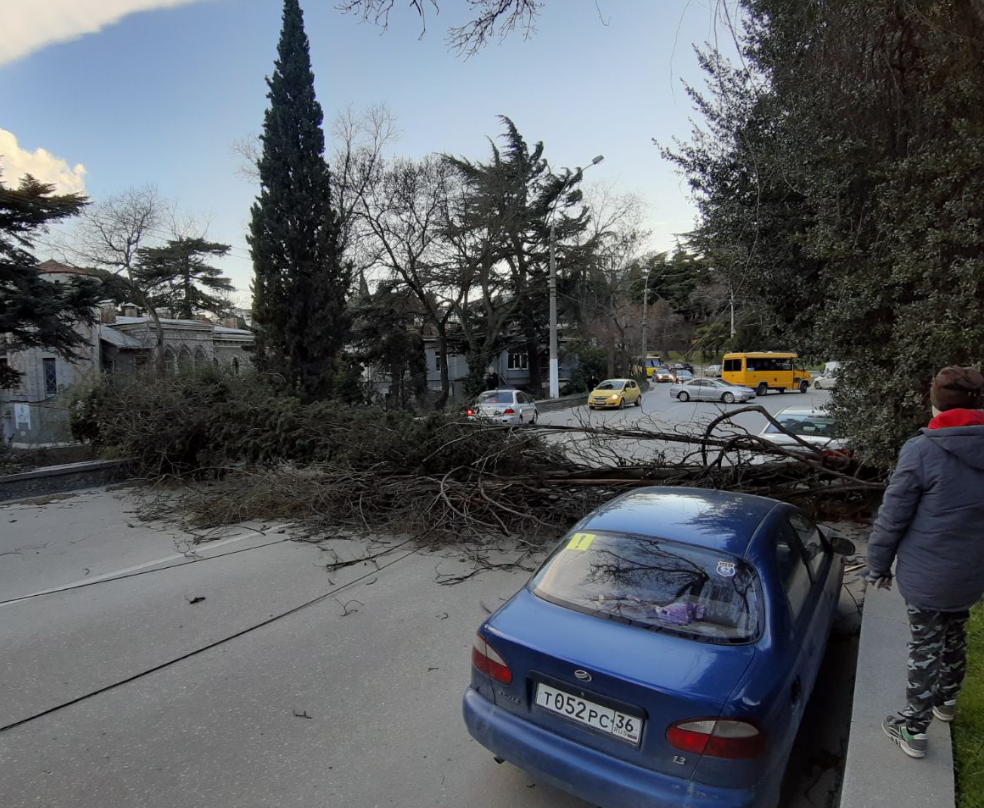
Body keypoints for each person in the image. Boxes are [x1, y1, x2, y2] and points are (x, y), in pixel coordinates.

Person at [865, 365, 984, 758]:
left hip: (928, 573)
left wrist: (877, 566)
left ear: (934, 402)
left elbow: (892, 516)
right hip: (972, 571)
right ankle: (945, 703)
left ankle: (913, 730)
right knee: (956, 633)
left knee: (926, 647)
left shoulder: (922, 450)